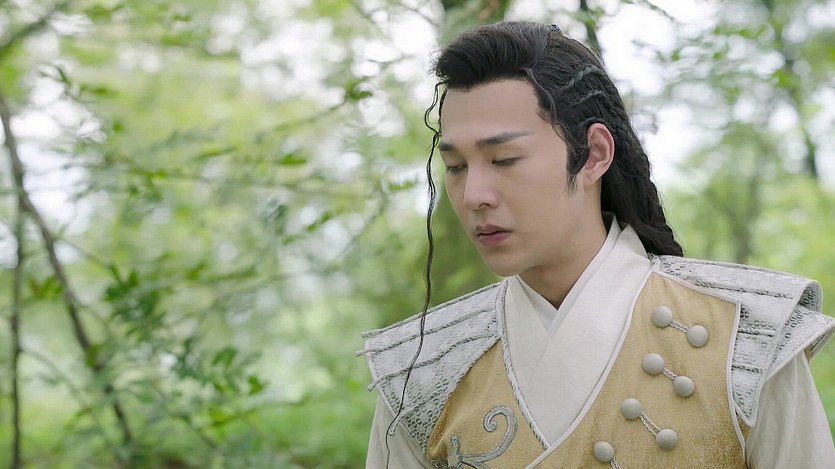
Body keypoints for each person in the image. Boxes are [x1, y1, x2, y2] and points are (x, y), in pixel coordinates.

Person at [358, 21, 835, 468]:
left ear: (593, 155)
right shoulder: (420, 373)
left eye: (503, 159)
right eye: (456, 167)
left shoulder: (742, 336)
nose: (473, 196)